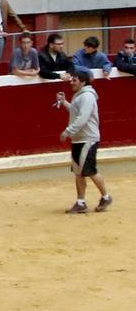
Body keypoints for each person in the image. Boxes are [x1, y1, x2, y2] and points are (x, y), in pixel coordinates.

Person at [57, 69, 110, 214]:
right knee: (78, 172)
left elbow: (83, 118)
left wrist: (67, 131)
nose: (71, 82)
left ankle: (106, 197)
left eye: (74, 80)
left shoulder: (87, 96)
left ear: (83, 82)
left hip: (88, 138)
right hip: (79, 138)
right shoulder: (80, 95)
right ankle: (81, 203)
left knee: (90, 170)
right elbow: (76, 113)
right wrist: (64, 102)